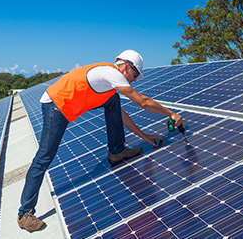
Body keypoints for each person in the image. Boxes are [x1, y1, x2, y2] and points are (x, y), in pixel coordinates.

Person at [17, 50, 185, 232]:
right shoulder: (110, 73)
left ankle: (117, 151)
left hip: (68, 104)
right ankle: (24, 213)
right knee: (45, 156)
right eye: (135, 75)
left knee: (113, 101)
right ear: (127, 67)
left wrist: (143, 136)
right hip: (56, 105)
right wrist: (171, 114)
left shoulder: (108, 86)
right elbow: (142, 102)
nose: (135, 80)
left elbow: (121, 115)